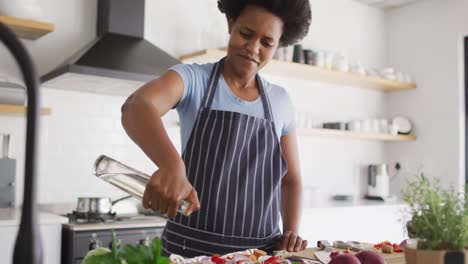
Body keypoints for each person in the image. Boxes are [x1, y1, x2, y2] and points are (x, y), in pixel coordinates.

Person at [121, 0, 312, 257]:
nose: (253, 48)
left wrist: (290, 231)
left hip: (259, 254)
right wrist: (172, 166)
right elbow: (137, 105)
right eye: (246, 33)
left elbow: (290, 179)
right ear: (231, 23)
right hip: (189, 252)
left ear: (278, 45)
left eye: (267, 43)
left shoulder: (280, 101)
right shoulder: (193, 80)